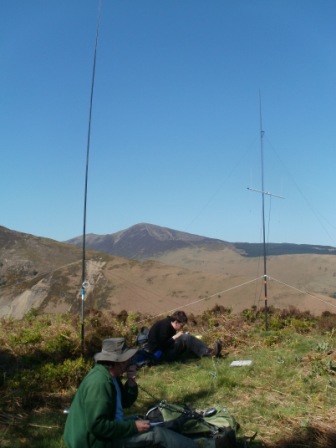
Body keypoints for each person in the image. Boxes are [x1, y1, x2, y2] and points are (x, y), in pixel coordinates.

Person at [63, 337, 234, 448]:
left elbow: (123, 403)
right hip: (93, 443)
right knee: (155, 434)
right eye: (127, 358)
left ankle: (196, 441)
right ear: (118, 361)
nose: (130, 360)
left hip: (99, 436)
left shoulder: (110, 376)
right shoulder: (99, 384)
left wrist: (130, 382)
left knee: (144, 421)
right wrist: (131, 427)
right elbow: (98, 426)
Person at [147, 311, 222, 362]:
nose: (182, 328)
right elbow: (162, 346)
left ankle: (208, 352)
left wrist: (180, 336)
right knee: (185, 338)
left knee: (185, 338)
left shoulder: (169, 324)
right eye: (182, 326)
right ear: (176, 322)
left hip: (163, 352)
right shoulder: (164, 327)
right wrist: (175, 337)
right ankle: (209, 353)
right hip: (159, 356)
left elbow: (168, 341)